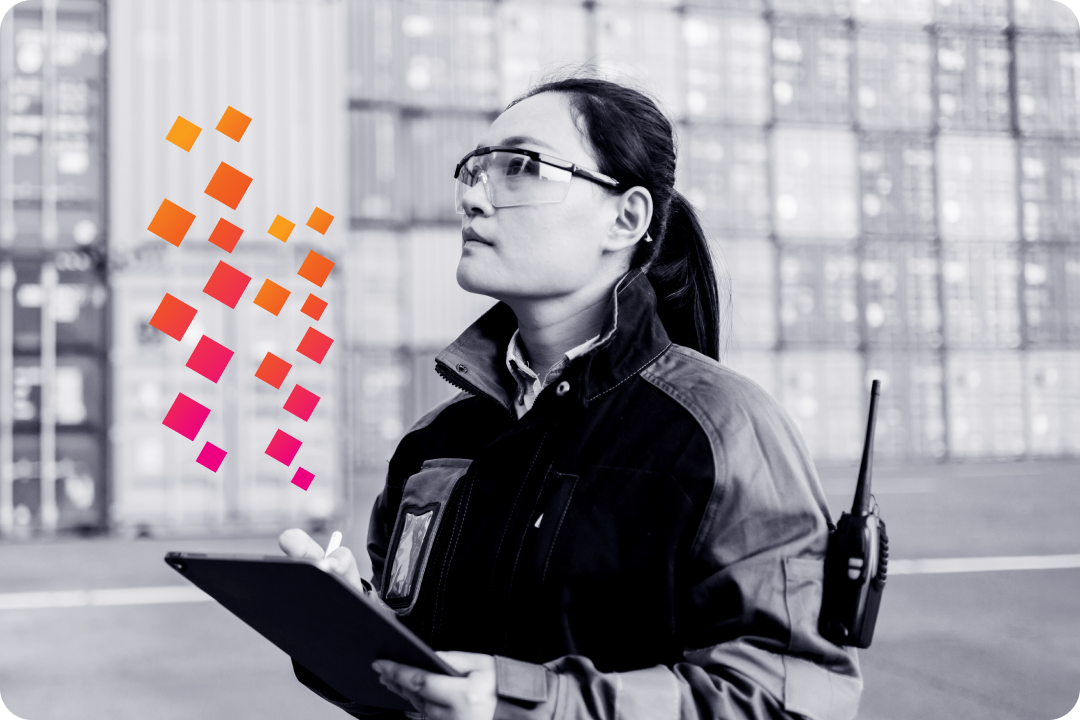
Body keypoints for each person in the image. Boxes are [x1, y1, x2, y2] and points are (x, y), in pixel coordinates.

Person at [279, 75, 862, 720]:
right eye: (471, 170)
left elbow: (789, 697)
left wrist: (527, 706)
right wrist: (343, 623)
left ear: (626, 217)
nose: (473, 196)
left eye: (520, 168)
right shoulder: (435, 444)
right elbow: (424, 681)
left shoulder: (722, 430)